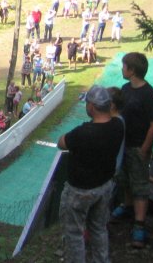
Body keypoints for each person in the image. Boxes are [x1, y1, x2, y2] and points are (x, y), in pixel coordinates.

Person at [57, 85, 124, 263]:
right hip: (104, 186)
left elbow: (61, 142)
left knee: (74, 234)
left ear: (92, 107)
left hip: (80, 191)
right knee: (99, 228)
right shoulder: (118, 125)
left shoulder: (83, 133)